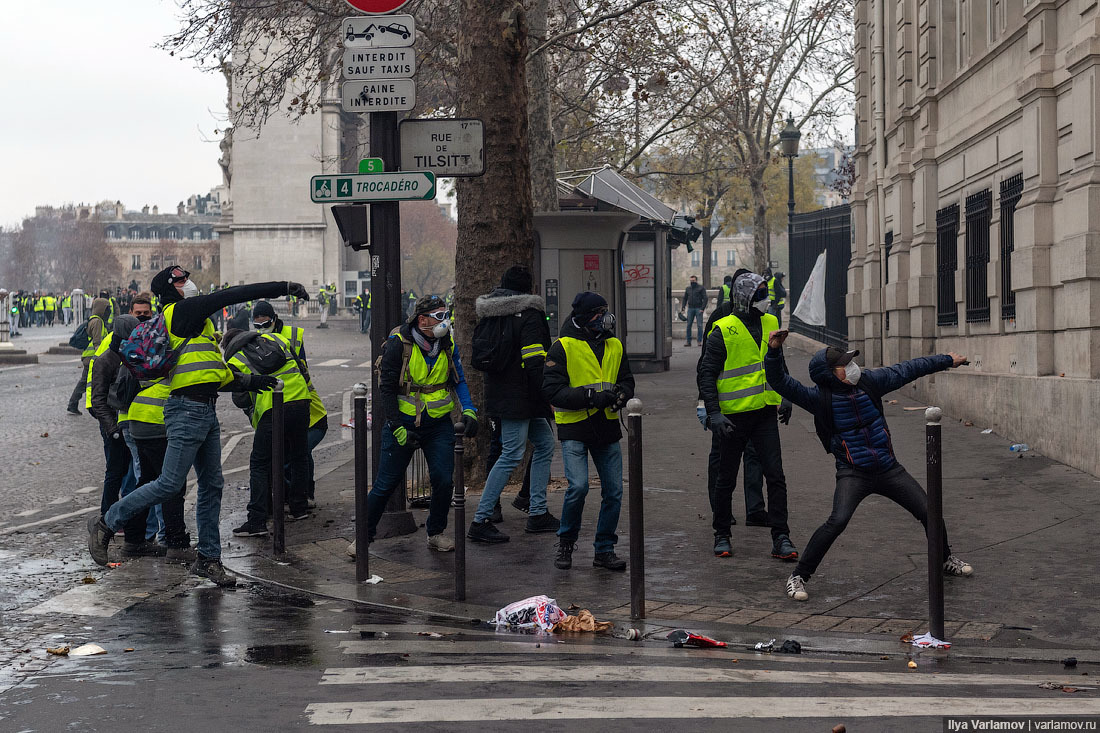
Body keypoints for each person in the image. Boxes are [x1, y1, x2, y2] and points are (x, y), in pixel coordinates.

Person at [87, 265, 308, 586]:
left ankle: (208, 559)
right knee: (168, 484)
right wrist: (283, 285)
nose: (189, 285)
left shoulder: (196, 328)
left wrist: (255, 380)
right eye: (181, 281)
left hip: (203, 410)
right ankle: (107, 523)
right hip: (186, 410)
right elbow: (233, 294)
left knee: (211, 486)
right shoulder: (182, 311)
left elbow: (210, 372)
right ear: (169, 289)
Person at [764, 335, 975, 602]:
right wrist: (773, 351)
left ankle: (945, 559)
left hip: (888, 468)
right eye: (845, 364)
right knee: (837, 521)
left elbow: (909, 368)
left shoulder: (870, 383)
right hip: (854, 472)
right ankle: (798, 576)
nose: (852, 367)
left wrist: (946, 360)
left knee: (929, 510)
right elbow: (781, 382)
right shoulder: (819, 399)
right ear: (829, 374)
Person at [355, 295, 479, 555]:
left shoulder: (446, 344)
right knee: (385, 485)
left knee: (444, 481)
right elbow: (386, 390)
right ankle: (362, 539)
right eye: (439, 316)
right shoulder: (398, 344)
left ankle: (435, 532)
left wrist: (469, 410)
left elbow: (459, 380)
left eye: (446, 315)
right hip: (403, 424)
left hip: (438, 425)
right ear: (422, 319)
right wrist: (397, 428)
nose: (444, 322)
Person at [697, 272, 798, 561]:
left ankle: (781, 537)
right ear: (745, 298)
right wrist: (713, 413)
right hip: (732, 418)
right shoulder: (722, 328)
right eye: (760, 294)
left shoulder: (771, 322)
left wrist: (787, 395)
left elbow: (778, 363)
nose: (766, 300)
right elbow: (707, 373)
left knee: (776, 476)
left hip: (765, 414)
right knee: (725, 478)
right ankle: (722, 533)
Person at [543, 292, 635, 572]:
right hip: (575, 428)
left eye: (605, 311)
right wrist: (591, 397)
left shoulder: (615, 345)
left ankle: (604, 549)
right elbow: (552, 390)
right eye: (598, 313)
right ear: (583, 318)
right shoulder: (562, 346)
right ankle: (566, 542)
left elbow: (627, 379)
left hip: (606, 427)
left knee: (614, 491)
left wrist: (621, 393)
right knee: (578, 487)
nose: (604, 318)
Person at [467, 266, 559, 544]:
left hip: (502, 393)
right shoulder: (529, 314)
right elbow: (535, 361)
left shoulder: (491, 312)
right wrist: (550, 394)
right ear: (528, 287)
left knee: (544, 444)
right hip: (523, 396)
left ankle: (538, 511)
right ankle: (480, 519)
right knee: (512, 453)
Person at [224, 324, 313, 536]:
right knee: (300, 455)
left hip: (273, 409)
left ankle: (257, 520)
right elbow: (302, 369)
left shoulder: (236, 359)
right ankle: (299, 507)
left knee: (259, 463)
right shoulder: (277, 340)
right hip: (301, 400)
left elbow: (241, 398)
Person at [68, 296, 110, 415]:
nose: (109, 312)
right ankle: (73, 403)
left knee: (88, 382)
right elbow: (98, 343)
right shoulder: (97, 322)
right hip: (92, 357)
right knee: (85, 382)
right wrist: (102, 357)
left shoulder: (96, 320)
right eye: (107, 309)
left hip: (92, 357)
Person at [680, 275, 708, 346]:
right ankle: (688, 341)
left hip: (699, 308)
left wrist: (702, 308)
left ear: (696, 281)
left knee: (699, 325)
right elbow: (684, 298)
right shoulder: (688, 289)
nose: (692, 282)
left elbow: (705, 298)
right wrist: (683, 307)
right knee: (689, 325)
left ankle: (699, 341)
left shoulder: (701, 288)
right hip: (690, 308)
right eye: (691, 281)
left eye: (693, 281)